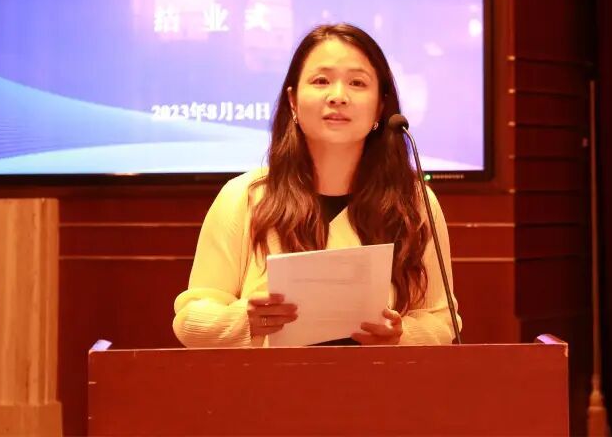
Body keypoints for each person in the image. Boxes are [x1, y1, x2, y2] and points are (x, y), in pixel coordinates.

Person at [173, 23, 462, 347]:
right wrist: (245, 320)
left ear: (381, 107)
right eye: (321, 81)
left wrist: (400, 336)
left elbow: (443, 319)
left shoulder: (414, 201)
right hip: (270, 379)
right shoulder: (245, 196)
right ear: (293, 101)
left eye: (357, 83)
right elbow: (190, 320)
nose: (338, 96)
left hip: (375, 379)